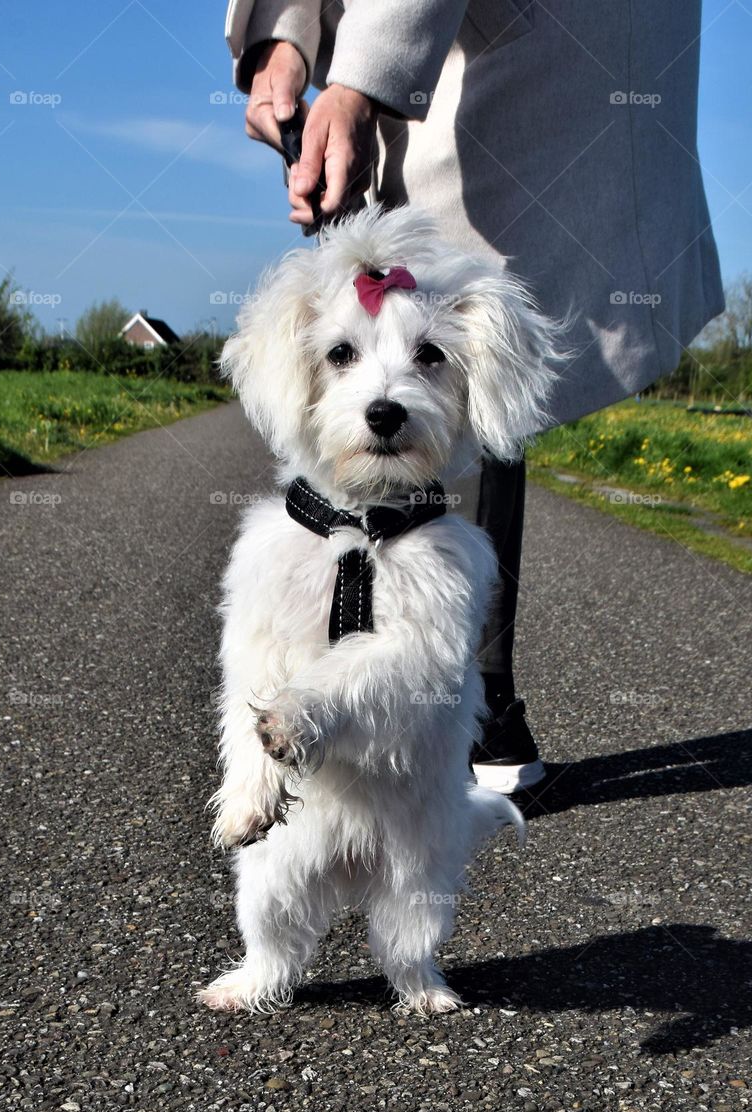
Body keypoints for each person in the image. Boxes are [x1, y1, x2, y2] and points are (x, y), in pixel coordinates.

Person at [224, 0, 724, 792]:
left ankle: (468, 686)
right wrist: (283, 37)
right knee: (410, 312)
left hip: (531, 41)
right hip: (403, 33)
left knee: (469, 309)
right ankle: (384, 682)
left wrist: (357, 81)